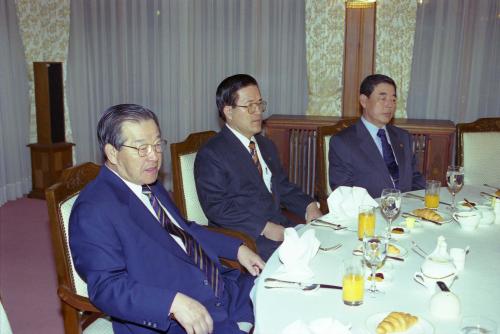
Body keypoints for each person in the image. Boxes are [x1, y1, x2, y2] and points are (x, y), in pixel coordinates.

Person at [69, 104, 265, 334]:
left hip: (222, 289)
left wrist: (237, 249)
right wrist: (171, 303)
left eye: (156, 145)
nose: (153, 157)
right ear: (112, 153)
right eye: (142, 148)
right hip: (179, 320)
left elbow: (184, 230)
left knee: (287, 295)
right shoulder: (94, 209)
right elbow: (106, 287)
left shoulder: (147, 183)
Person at [194, 74, 322, 261]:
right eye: (250, 106)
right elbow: (217, 207)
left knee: (326, 248)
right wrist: (263, 227)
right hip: (245, 237)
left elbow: (281, 186)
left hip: (279, 227)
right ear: (229, 111)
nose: (258, 112)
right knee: (308, 263)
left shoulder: (265, 145)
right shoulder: (212, 154)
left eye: (260, 104)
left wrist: (309, 205)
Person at [329, 74, 425, 198]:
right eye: (383, 99)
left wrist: (413, 205)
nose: (389, 105)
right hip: (368, 213)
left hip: (407, 211)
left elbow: (415, 178)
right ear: (364, 101)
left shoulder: (403, 137)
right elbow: (344, 192)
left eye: (393, 100)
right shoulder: (343, 142)